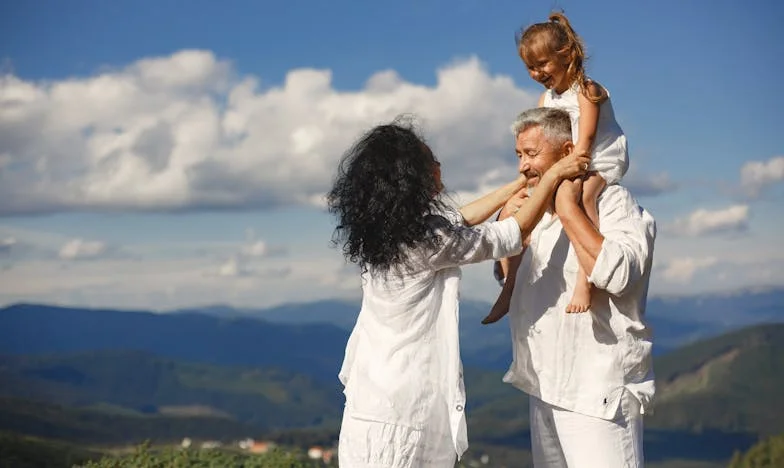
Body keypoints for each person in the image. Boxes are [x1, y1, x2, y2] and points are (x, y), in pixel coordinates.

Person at [327, 117, 589, 467]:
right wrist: (553, 175)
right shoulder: (427, 241)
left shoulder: (387, 236)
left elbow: (459, 219)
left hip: (369, 404)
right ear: (412, 176)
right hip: (404, 413)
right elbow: (511, 233)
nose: (439, 167)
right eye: (431, 162)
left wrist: (519, 185)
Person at [483, 107, 655, 467]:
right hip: (544, 386)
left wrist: (569, 210)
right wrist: (509, 226)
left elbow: (622, 275)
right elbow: (515, 280)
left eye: (531, 154)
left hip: (597, 395)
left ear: (566, 153)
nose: (523, 166)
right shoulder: (537, 212)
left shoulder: (613, 203)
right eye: (518, 155)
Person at [487, 11, 629, 320]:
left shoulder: (587, 91)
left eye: (543, 64)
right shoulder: (546, 100)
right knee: (516, 208)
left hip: (597, 160)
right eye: (530, 67)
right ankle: (509, 285)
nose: (537, 73)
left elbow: (586, 140)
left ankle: (585, 279)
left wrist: (566, 173)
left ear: (566, 55)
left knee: (577, 197)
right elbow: (543, 140)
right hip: (564, 162)